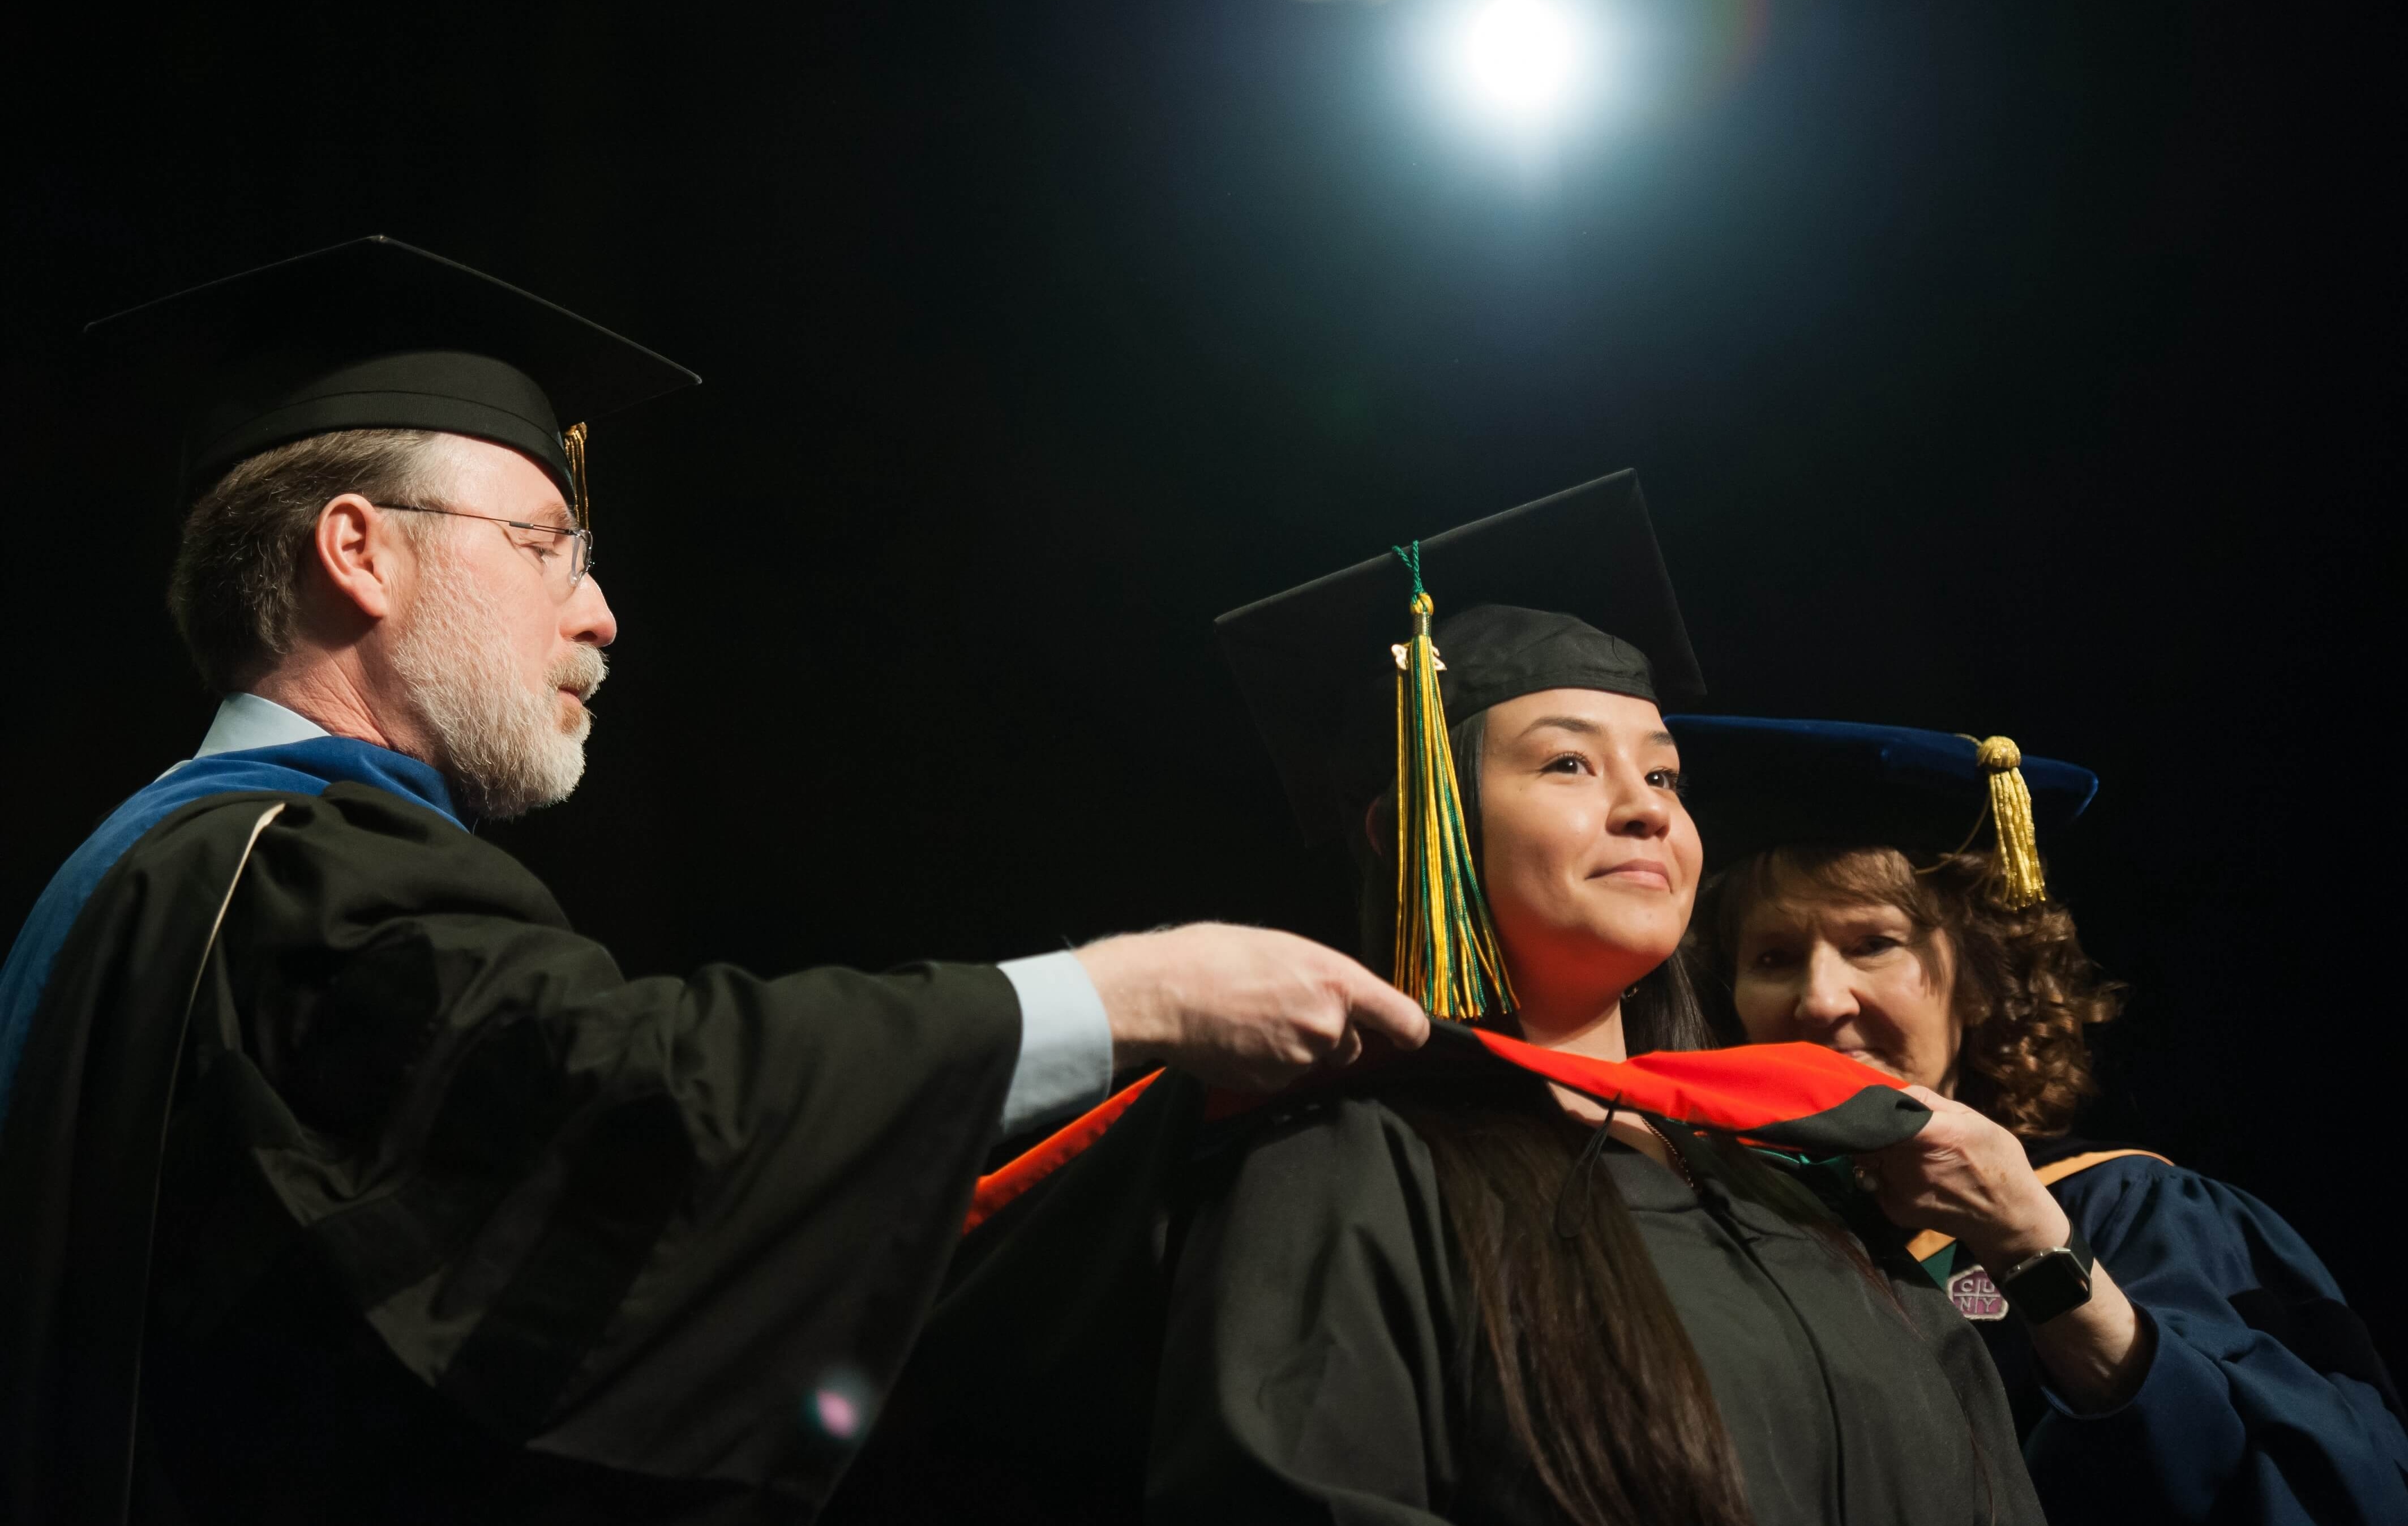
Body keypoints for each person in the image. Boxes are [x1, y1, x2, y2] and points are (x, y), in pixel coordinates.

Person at [0, 238, 1429, 1526]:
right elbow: (630, 1120)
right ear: (359, 550)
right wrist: (1133, 994)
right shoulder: (306, 884)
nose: (602, 613)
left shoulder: (131, 888)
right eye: (546, 546)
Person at [846, 475, 2032, 1524]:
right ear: (1414, 827)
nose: (1646, 807)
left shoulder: (1798, 1180)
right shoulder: (1348, 1158)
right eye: (1570, 763)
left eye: (1664, 772)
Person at [1674, 714, 2408, 1525]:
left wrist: (2034, 1249)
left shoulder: (2126, 1212)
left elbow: (2327, 1495)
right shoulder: (1690, 1215)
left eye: (1873, 944)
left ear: (1980, 985)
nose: (1818, 1000)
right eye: (1772, 958)